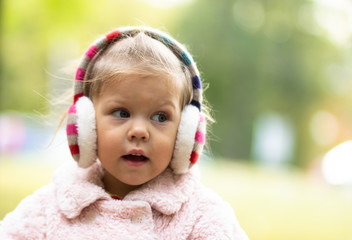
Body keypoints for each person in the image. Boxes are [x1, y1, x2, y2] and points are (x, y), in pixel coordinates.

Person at [0, 26, 248, 239]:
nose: (139, 131)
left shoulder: (203, 216)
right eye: (121, 113)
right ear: (87, 124)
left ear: (186, 133)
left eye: (160, 117)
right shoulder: (50, 209)